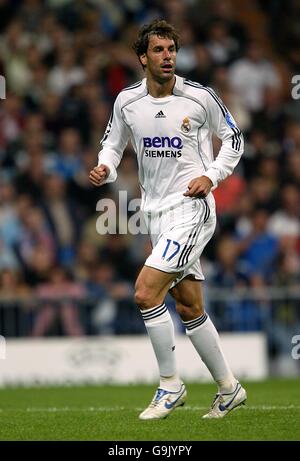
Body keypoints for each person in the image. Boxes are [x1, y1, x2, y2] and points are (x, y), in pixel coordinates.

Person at [89, 19, 246, 420]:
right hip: (155, 214)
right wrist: (105, 166)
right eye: (158, 50)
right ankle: (229, 388)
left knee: (145, 292)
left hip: (193, 208)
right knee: (189, 305)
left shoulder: (199, 97)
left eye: (171, 50)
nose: (167, 57)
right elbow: (113, 142)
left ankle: (169, 385)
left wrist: (210, 176)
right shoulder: (127, 101)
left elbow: (234, 139)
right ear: (142, 58)